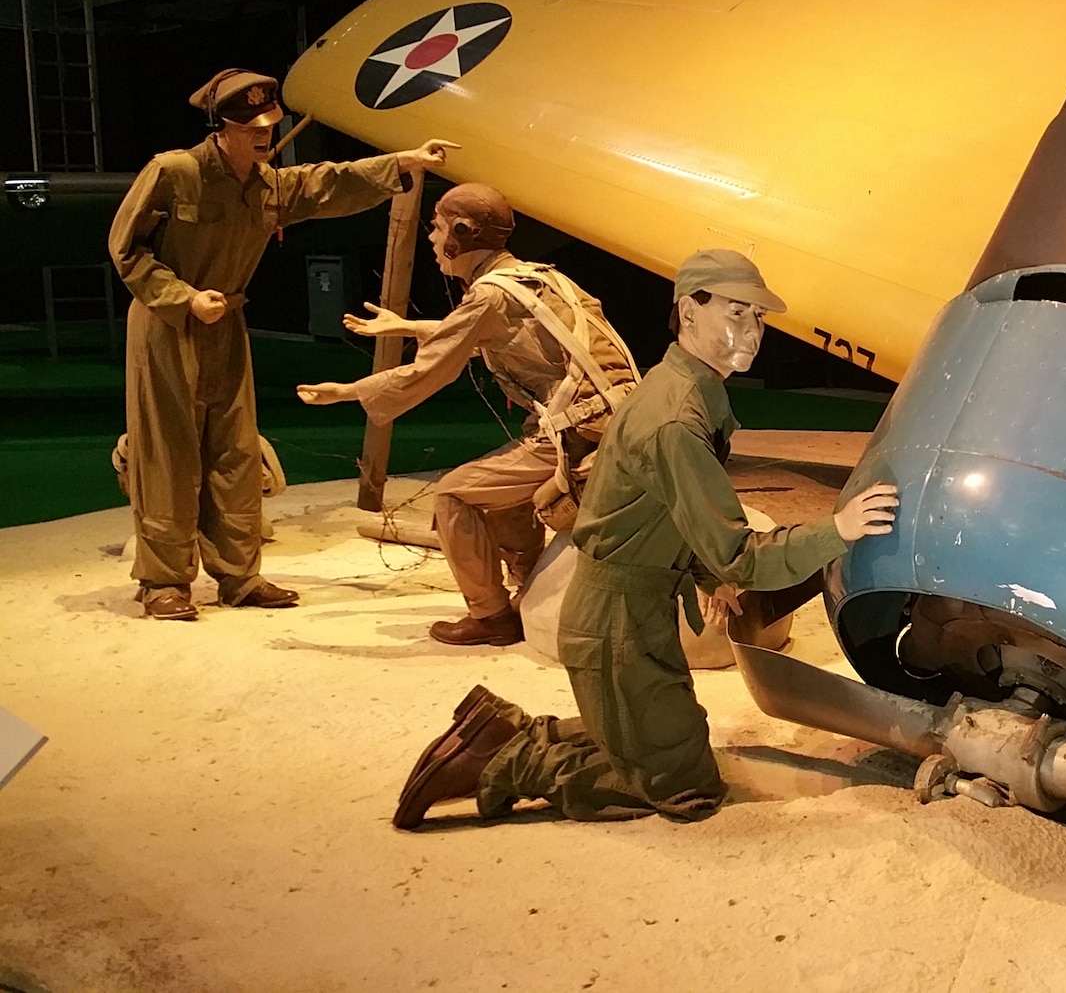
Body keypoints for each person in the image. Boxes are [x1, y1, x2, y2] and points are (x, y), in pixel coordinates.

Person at [391, 249, 900, 828]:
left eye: (758, 317)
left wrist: (709, 576)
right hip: (616, 626)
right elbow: (741, 552)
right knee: (686, 789)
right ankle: (508, 758)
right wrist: (838, 530)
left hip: (631, 614)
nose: (752, 332)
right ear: (688, 312)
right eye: (736, 314)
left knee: (662, 737)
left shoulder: (684, 386)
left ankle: (507, 727)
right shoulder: (676, 418)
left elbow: (671, 510)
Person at [110, 67, 455, 621]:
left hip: (225, 324)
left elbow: (329, 182)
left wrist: (403, 163)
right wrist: (183, 297)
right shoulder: (174, 172)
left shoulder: (268, 184)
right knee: (168, 449)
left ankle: (240, 576)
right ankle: (163, 581)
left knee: (236, 448)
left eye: (269, 123)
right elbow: (126, 249)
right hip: (165, 323)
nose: (264, 133)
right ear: (222, 128)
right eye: (251, 125)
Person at [297, 183, 639, 646]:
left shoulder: (490, 296)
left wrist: (347, 391)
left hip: (581, 432)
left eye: (437, 229)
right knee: (502, 487)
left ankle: (491, 616)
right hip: (619, 419)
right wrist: (409, 326)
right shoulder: (537, 277)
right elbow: (499, 331)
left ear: (460, 235)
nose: (434, 241)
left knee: (456, 495)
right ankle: (529, 583)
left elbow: (433, 367)